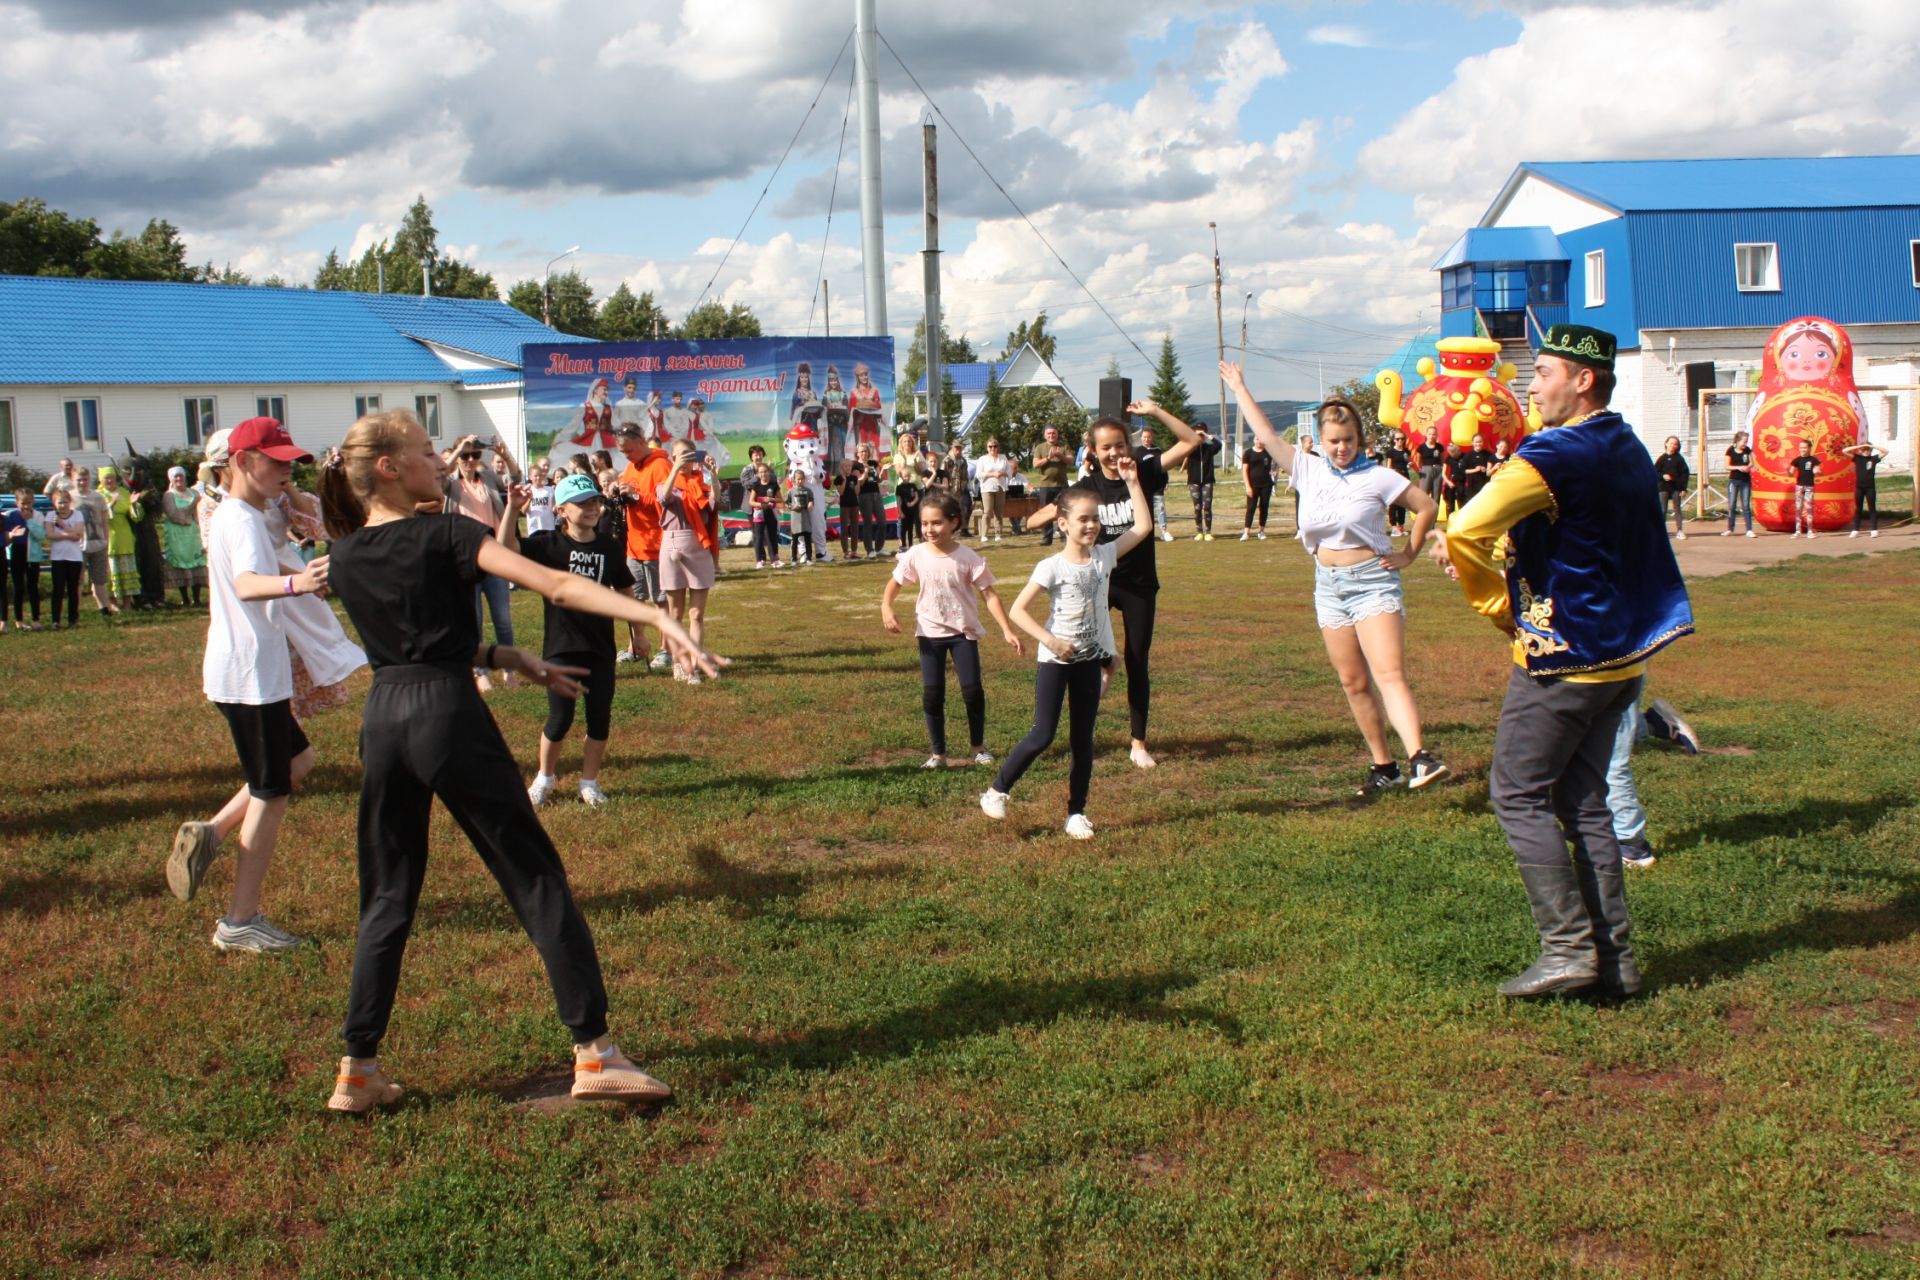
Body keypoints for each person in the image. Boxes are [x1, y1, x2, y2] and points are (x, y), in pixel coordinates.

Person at [316, 408, 723, 1113]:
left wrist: (507, 657)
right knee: (536, 879)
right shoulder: (448, 531)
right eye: (423, 452)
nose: (439, 461)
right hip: (447, 717)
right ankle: (596, 1053)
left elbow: (413, 643)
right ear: (387, 468)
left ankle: (357, 1068)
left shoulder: (347, 555)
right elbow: (556, 586)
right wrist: (654, 617)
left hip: (385, 721)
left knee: (386, 894)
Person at [1433, 324, 1694, 1000]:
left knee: (1516, 794)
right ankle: (1616, 962)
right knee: (1584, 803)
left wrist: (1499, 609)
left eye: (1544, 372)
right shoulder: (1628, 443)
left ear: (1582, 380)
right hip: (1624, 660)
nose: (1532, 384)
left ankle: (1568, 950)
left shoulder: (1550, 454)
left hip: (1566, 659)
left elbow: (1464, 528)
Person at [1226, 365, 1451, 795]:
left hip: (1372, 582)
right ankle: (1384, 766)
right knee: (1353, 680)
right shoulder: (1307, 469)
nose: (1342, 448)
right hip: (1328, 585)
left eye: (1348, 440)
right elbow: (1268, 434)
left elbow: (1426, 507)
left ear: (1360, 439)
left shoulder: (1380, 476)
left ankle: (1420, 756)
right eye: (1333, 441)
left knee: (1388, 672)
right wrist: (1240, 386)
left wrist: (1408, 553)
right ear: (1322, 441)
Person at [179, 417, 335, 953]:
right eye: (277, 461)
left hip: (247, 673)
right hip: (248, 678)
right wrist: (299, 582)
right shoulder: (240, 519)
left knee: (298, 764)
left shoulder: (245, 511)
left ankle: (212, 832)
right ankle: (239, 921)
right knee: (271, 791)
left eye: (291, 460)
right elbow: (248, 585)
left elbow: (301, 521)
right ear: (242, 462)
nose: (286, 469)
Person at [980, 457, 1153, 838]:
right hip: (1055, 661)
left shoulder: (1105, 557)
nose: (1091, 525)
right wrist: (1051, 641)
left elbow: (1142, 527)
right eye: (1082, 519)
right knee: (1043, 734)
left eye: (1095, 518)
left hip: (1088, 662)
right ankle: (996, 791)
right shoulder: (1050, 566)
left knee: (1082, 740)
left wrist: (1133, 483)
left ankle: (1076, 813)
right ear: (1063, 524)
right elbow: (1018, 611)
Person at [1023, 404, 1202, 769]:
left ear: (1129, 446)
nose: (1114, 453)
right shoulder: (1087, 487)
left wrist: (1155, 411)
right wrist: (1051, 513)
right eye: (1106, 447)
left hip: (1138, 585)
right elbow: (1035, 521)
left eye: (1120, 445)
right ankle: (1082, 727)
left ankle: (1138, 743)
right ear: (1093, 450)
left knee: (1139, 660)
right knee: (1085, 657)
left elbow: (1190, 441)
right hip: (1096, 584)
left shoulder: (1145, 471)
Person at [498, 474, 635, 806]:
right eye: (582, 503)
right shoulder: (548, 546)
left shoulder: (608, 546)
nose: (591, 508)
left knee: (599, 717)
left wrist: (638, 634)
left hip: (600, 649)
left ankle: (589, 782)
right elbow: (505, 549)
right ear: (560, 510)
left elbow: (625, 589)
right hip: (561, 648)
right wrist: (512, 511)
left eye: (594, 501)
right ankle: (544, 778)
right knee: (560, 718)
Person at [883, 491, 1023, 768]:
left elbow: (989, 595)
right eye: (924, 524)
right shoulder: (916, 554)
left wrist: (1007, 629)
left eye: (936, 523)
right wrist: (886, 607)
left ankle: (978, 747)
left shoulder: (968, 557)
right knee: (933, 694)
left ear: (954, 523)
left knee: (972, 691)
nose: (929, 529)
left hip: (963, 634)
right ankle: (938, 754)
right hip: (929, 634)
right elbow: (894, 584)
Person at [611, 422, 675, 666]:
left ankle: (666, 649)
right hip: (634, 545)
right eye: (622, 451)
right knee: (634, 599)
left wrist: (636, 496)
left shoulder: (660, 465)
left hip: (657, 545)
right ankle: (636, 645)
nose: (625, 455)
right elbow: (630, 497)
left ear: (641, 441)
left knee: (661, 600)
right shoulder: (630, 468)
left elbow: (666, 502)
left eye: (628, 449)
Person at [656, 441, 720, 683]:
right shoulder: (665, 483)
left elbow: (714, 504)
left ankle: (693, 665)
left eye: (688, 455)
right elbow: (663, 498)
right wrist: (675, 469)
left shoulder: (699, 484)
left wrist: (712, 474)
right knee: (675, 613)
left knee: (697, 614)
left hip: (697, 546)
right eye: (679, 455)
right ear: (672, 457)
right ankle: (678, 663)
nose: (684, 460)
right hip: (672, 547)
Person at [160, 467, 207, 607]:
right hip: (177, 534)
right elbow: (173, 514)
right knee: (180, 563)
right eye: (176, 477)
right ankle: (185, 597)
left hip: (193, 533)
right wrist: (191, 506)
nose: (179, 479)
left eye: (181, 476)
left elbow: (200, 511)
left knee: (196, 561)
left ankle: (196, 598)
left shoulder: (194, 492)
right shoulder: (169, 495)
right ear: (171, 480)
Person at [73, 468, 116, 619]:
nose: (82, 482)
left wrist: (105, 541)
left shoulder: (98, 497)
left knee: (100, 579)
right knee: (77, 580)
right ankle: (75, 611)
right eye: (79, 479)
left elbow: (104, 521)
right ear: (74, 480)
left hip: (98, 543)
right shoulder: (71, 497)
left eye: (85, 479)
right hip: (78, 546)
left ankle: (104, 608)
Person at [97, 465, 139, 609]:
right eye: (106, 478)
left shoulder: (124, 492)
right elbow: (99, 516)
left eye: (112, 477)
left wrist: (134, 505)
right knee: (111, 572)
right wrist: (111, 505)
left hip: (124, 535)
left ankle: (127, 603)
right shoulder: (98, 495)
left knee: (126, 570)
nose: (109, 481)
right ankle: (113, 603)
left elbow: (136, 517)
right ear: (101, 480)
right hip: (108, 535)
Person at [4, 489, 46, 630]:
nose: (26, 506)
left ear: (33, 502)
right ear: (17, 502)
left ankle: (35, 619)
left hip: (32, 556)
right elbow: (6, 536)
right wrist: (12, 534)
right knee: (18, 587)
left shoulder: (38, 515)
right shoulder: (10, 515)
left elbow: (40, 536)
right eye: (23, 503)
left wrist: (29, 520)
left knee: (33, 587)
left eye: (29, 503)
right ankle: (19, 620)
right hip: (16, 553)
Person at [45, 488, 84, 630]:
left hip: (74, 558)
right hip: (58, 557)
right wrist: (69, 534)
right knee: (58, 590)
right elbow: (50, 535)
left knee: (73, 589)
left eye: (65, 502)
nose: (63, 505)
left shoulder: (77, 515)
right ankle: (55, 620)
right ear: (55, 503)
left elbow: (79, 534)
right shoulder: (50, 515)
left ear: (70, 502)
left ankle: (73, 619)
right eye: (60, 503)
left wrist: (62, 526)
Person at [1031, 427, 1072, 547]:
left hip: (1062, 485)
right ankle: (1047, 538)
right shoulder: (1040, 447)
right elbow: (1035, 464)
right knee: (1045, 512)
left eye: (1054, 433)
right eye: (1049, 433)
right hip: (1046, 485)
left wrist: (1060, 455)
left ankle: (1065, 536)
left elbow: (1071, 460)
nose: (1051, 435)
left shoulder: (1064, 446)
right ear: (1045, 435)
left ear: (1057, 434)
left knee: (1065, 511)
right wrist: (1048, 458)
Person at [1184, 423, 1223, 540]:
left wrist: (1207, 435)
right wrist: (1193, 437)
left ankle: (1208, 532)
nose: (1200, 436)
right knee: (1197, 507)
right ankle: (1199, 531)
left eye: (1202, 433)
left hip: (1207, 481)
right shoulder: (1190, 448)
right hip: (1194, 481)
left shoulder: (1209, 448)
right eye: (1197, 433)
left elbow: (1219, 444)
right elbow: (1182, 447)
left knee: (1207, 507)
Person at [974, 437, 1017, 542]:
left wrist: (1002, 473)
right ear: (987, 448)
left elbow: (1010, 472)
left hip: (1000, 487)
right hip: (987, 488)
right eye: (990, 446)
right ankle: (984, 534)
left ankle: (998, 534)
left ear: (998, 447)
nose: (993, 448)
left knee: (999, 512)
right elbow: (978, 474)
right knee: (987, 511)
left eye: (995, 446)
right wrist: (992, 474)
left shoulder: (1003, 458)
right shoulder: (982, 459)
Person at [1134, 427, 1174, 542]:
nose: (1146, 439)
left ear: (1152, 438)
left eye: (1149, 437)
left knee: (1160, 508)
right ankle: (1146, 533)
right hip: (1143, 487)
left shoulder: (1158, 451)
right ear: (1141, 438)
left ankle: (1164, 531)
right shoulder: (1137, 452)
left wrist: (1166, 480)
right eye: (1144, 437)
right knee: (1145, 510)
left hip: (1157, 486)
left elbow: (1163, 467)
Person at [891, 431, 926, 552]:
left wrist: (916, 461)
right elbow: (898, 473)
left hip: (917, 487)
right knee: (903, 517)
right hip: (903, 489)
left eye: (909, 441)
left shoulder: (918, 453)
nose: (907, 443)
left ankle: (921, 540)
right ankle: (902, 544)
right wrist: (904, 461)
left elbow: (921, 471)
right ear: (901, 443)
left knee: (918, 516)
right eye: (905, 441)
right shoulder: (898, 456)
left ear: (913, 442)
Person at [1845, 438, 1886, 537]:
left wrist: (1873, 446)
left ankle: (1874, 530)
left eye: (1868, 450)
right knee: (1858, 509)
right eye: (1864, 450)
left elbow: (1886, 452)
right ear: (1860, 450)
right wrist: (1859, 446)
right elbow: (1844, 451)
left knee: (1872, 508)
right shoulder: (1857, 458)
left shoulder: (1874, 459)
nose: (1866, 451)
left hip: (1870, 488)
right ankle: (1855, 530)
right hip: (1859, 488)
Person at [746, 460, 783, 568]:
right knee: (759, 537)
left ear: (769, 472)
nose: (763, 474)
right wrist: (760, 504)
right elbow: (751, 502)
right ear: (758, 474)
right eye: (761, 472)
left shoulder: (774, 485)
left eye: (765, 471)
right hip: (759, 515)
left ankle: (775, 560)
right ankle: (759, 560)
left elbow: (780, 499)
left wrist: (771, 499)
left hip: (771, 514)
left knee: (772, 536)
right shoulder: (756, 486)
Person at [854, 443, 888, 557]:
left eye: (866, 451)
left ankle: (879, 548)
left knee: (882, 522)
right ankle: (870, 550)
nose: (864, 453)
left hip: (876, 494)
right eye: (861, 451)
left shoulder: (873, 463)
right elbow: (860, 482)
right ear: (857, 453)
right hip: (864, 496)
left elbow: (878, 480)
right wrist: (865, 472)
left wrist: (883, 470)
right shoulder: (856, 465)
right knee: (867, 523)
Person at [1655, 436, 1690, 539]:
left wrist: (1683, 488)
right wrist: (1662, 476)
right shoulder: (1662, 458)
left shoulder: (1679, 459)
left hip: (1676, 488)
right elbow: (1655, 472)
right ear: (1666, 444)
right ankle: (1661, 531)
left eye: (1675, 444)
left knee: (1677, 509)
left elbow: (1685, 473)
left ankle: (1679, 531)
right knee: (1663, 509)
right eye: (1671, 443)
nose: (1673, 446)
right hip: (1663, 487)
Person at [1240, 438, 1274, 540]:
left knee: (1264, 507)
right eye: (1257, 439)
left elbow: (1276, 462)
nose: (1259, 441)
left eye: (1261, 439)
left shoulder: (1268, 452)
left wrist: (1274, 470)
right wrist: (1248, 486)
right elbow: (1245, 471)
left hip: (1266, 484)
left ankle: (1261, 531)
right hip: (1253, 485)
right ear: (1254, 440)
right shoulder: (1248, 453)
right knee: (1251, 508)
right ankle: (1246, 532)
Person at [849, 363, 886, 457]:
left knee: (874, 448)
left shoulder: (874, 391)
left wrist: (872, 406)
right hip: (860, 425)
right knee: (861, 449)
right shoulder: (854, 392)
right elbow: (851, 410)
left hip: (872, 424)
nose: (864, 377)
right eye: (861, 375)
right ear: (857, 377)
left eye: (865, 375)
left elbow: (879, 407)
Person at [1723, 431, 1756, 537]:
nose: (1745, 444)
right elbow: (1727, 466)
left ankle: (1749, 530)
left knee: (1746, 505)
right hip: (1734, 480)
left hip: (1745, 481)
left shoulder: (1747, 450)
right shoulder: (1730, 450)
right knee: (1732, 505)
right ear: (1738, 440)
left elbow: (1752, 462)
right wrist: (1739, 467)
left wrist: (1749, 467)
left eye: (1746, 441)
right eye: (1744, 441)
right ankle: (1730, 528)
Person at [1381, 431, 1412, 536]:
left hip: (1405, 477)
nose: (1400, 441)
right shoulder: (1391, 452)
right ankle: (1394, 527)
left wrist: (1410, 464)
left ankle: (1401, 526)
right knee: (1394, 502)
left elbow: (1407, 462)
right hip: (1394, 478)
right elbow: (1389, 466)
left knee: (1403, 503)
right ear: (1394, 440)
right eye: (1398, 439)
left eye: (1402, 439)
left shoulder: (1407, 451)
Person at [1789, 438, 1820, 538]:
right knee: (1798, 508)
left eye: (1804, 448)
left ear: (1809, 448)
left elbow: (1817, 469)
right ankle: (1797, 531)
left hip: (1809, 486)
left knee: (1809, 508)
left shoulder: (1813, 460)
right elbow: (1791, 472)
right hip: (1799, 486)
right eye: (1801, 447)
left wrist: (1817, 471)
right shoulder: (1797, 460)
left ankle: (1810, 531)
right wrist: (1789, 471)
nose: (1802, 449)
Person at [785, 466, 816, 565]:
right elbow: (786, 503)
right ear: (794, 479)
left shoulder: (808, 491)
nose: (800, 481)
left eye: (802, 479)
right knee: (795, 540)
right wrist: (792, 507)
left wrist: (811, 503)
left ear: (804, 479)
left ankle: (809, 558)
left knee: (807, 540)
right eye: (798, 479)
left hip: (806, 519)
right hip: (795, 520)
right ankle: (794, 559)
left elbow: (811, 500)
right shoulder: (791, 491)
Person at [573, 378, 615, 449]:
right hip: (589, 441)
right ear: (595, 390)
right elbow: (574, 425)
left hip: (607, 442)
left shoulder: (609, 408)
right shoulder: (585, 406)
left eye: (607, 390)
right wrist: (561, 437)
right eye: (604, 389)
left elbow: (616, 425)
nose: (606, 392)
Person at [525, 457, 558, 536]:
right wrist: (529, 498)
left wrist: (557, 507)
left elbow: (554, 508)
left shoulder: (550, 490)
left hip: (549, 527)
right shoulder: (528, 490)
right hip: (534, 527)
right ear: (530, 477)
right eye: (535, 476)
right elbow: (523, 510)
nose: (538, 478)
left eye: (540, 475)